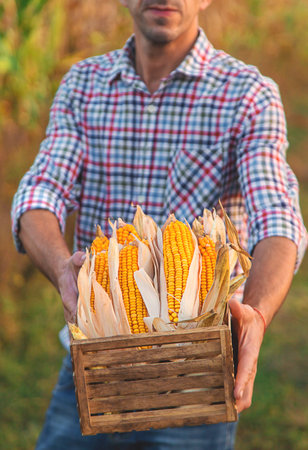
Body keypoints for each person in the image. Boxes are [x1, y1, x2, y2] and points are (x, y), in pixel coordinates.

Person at [11, 0, 307, 449]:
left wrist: (257, 316)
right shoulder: (84, 85)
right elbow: (38, 195)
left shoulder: (246, 93)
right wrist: (62, 270)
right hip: (96, 366)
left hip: (197, 374)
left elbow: (278, 219)